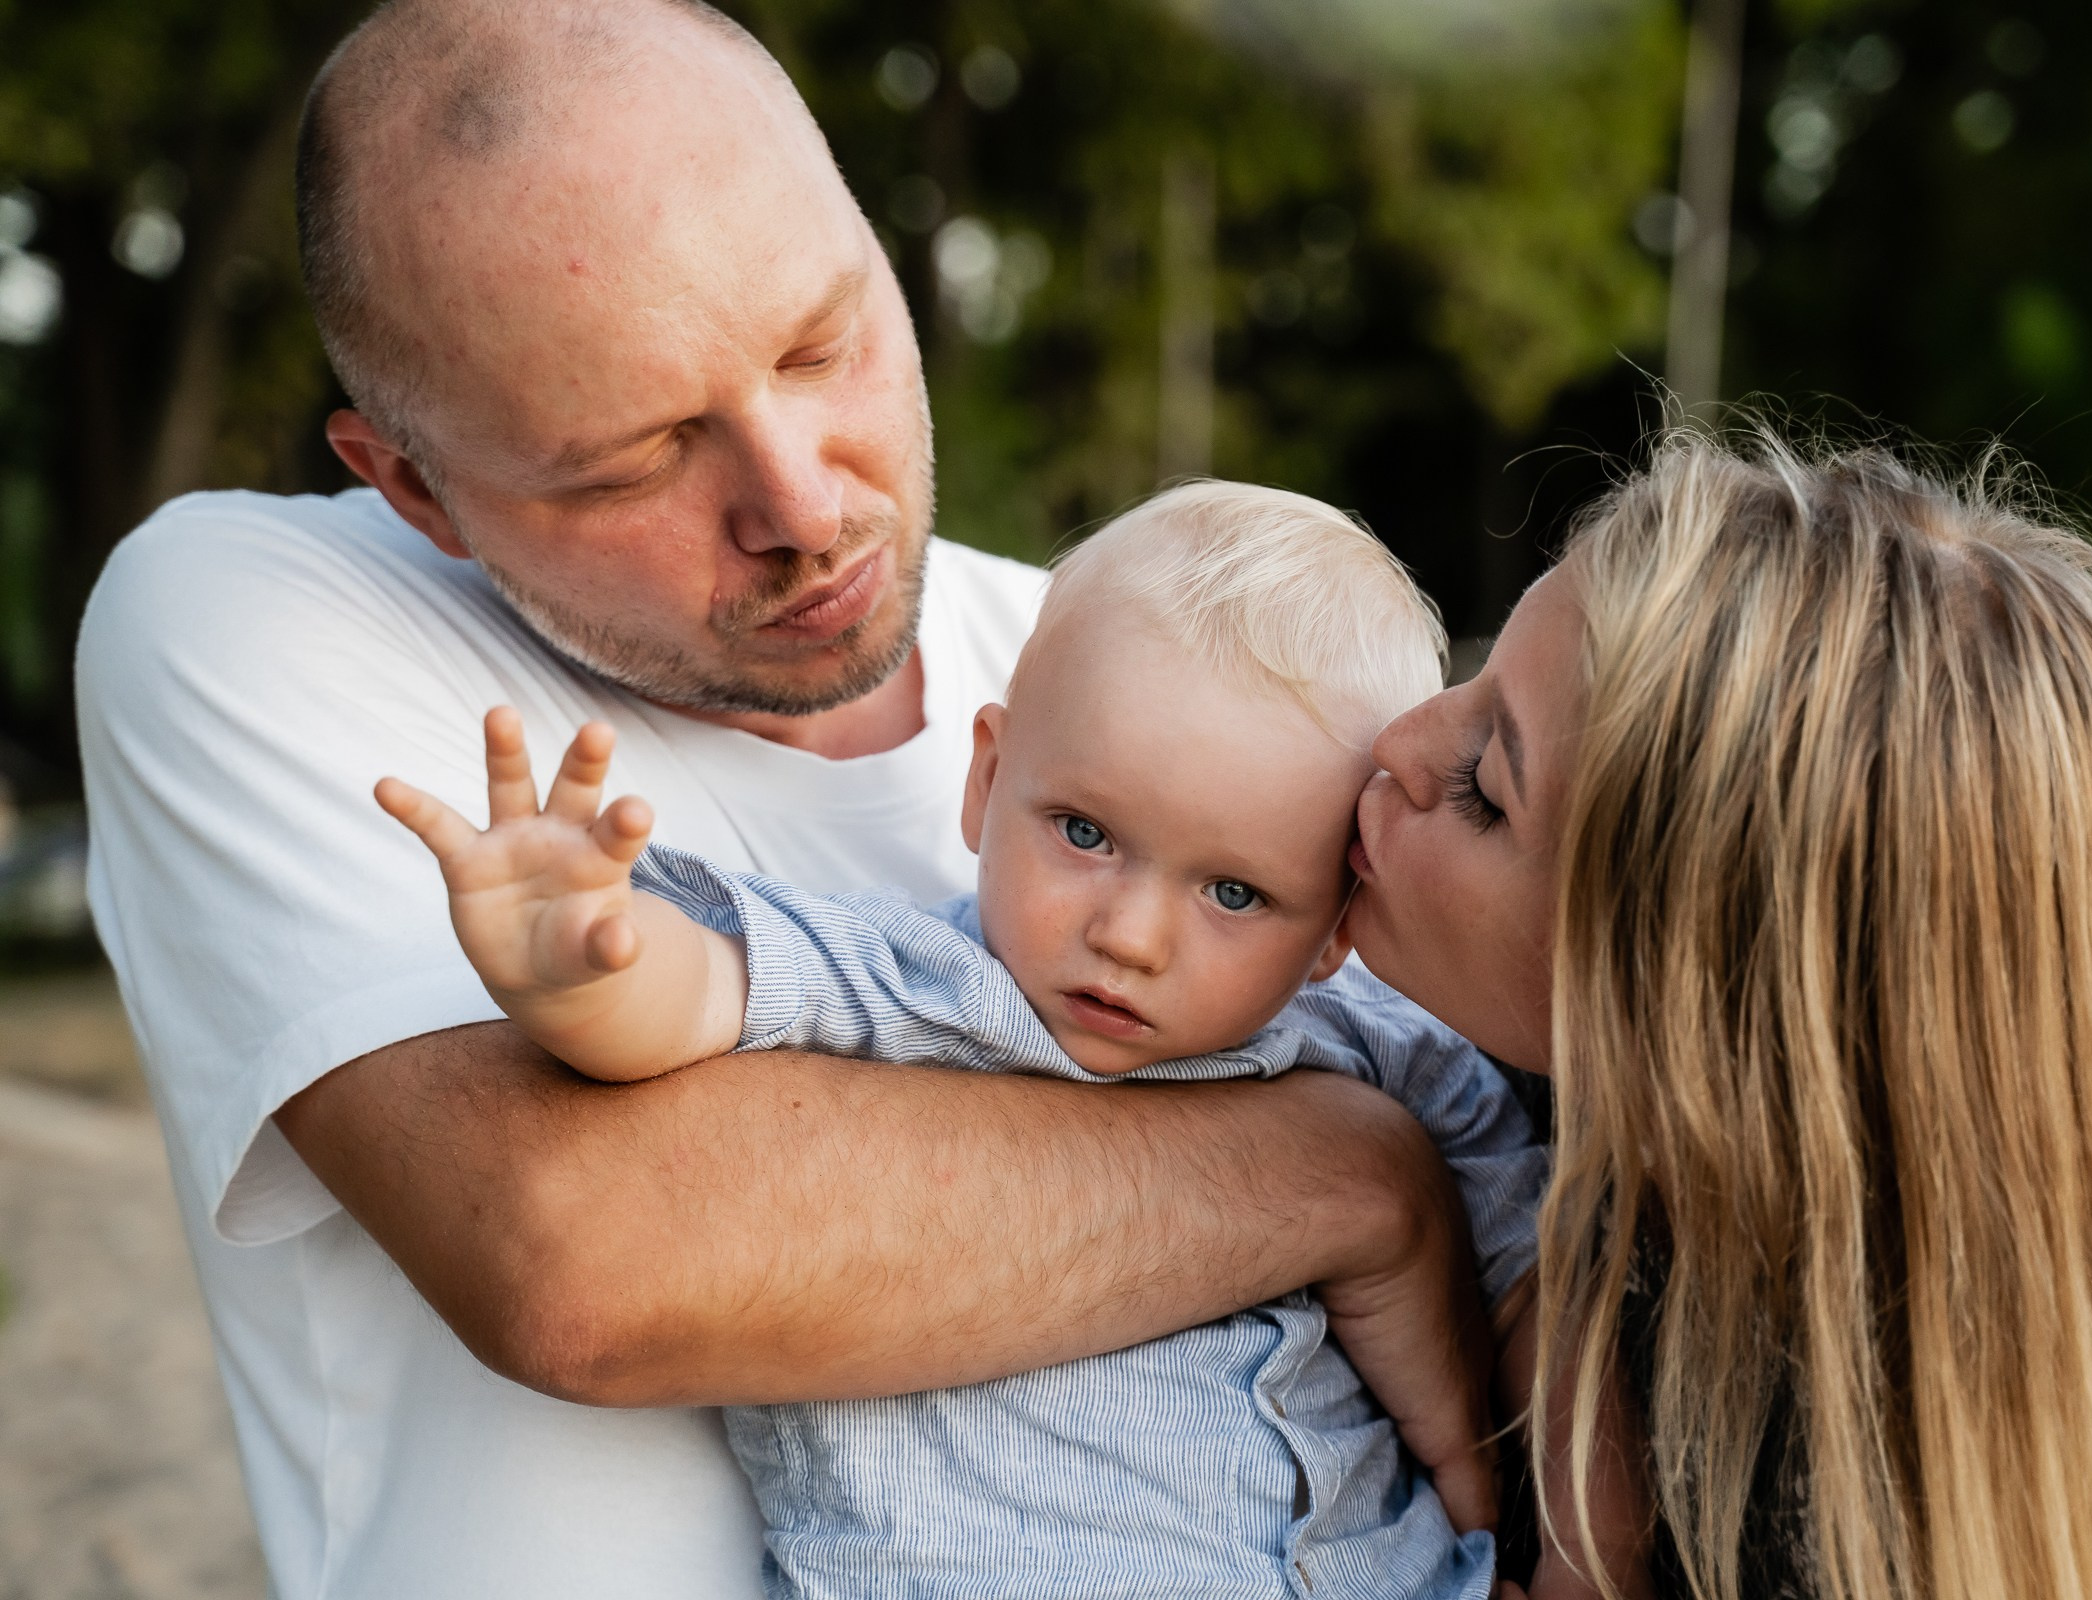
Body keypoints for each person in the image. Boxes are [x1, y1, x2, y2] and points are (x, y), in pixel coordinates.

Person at [74, 4, 1500, 1596]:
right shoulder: (257, 610)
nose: (807, 509)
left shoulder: (1128, 677)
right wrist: (1346, 1179)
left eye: (826, 345)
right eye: (636, 458)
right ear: (416, 489)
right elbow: (590, 1265)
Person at [381, 481, 1547, 1599]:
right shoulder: (916, 986)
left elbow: (1540, 1287)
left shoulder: (1377, 1044)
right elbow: (698, 992)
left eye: (1234, 894)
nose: (1129, 935)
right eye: (1085, 831)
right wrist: (582, 956)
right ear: (987, 778)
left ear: (1338, 925)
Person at [1348, 432, 2092, 1598]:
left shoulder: (1786, 1522)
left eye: (1485, 791)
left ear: (1695, 1012)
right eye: (1472, 680)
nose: (1394, 743)